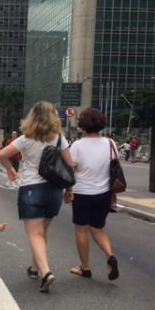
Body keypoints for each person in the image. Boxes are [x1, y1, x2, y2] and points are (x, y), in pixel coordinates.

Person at [0, 101, 74, 293]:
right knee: (41, 233)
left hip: (31, 188)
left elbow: (2, 154)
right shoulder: (59, 139)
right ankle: (34, 268)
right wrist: (69, 190)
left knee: (35, 234)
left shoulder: (26, 138)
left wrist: (10, 171)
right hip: (54, 191)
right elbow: (70, 166)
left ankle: (45, 272)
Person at [64, 108, 119, 281]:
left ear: (83, 125)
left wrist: (68, 190)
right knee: (98, 228)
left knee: (81, 230)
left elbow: (71, 169)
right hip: (104, 193)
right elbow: (114, 168)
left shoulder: (78, 145)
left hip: (82, 193)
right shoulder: (110, 143)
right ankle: (110, 255)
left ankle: (85, 268)